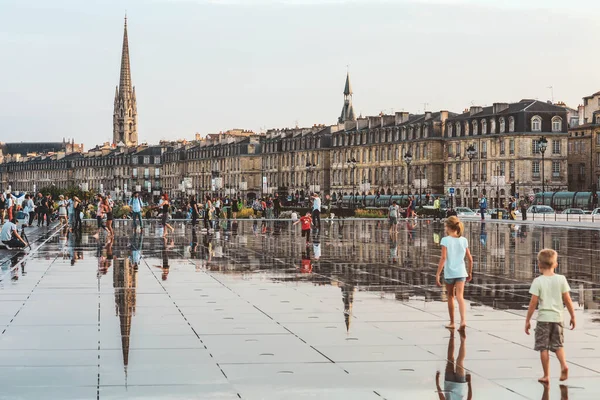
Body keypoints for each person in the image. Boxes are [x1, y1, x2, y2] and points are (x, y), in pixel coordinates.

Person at [525, 249, 576, 384]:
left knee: (543, 347)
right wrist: (572, 316)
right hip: (558, 318)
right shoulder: (561, 279)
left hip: (543, 319)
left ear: (539, 265)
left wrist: (528, 320)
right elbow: (568, 300)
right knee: (558, 345)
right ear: (556, 264)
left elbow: (533, 303)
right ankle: (564, 365)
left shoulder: (538, 281)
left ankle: (546, 375)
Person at [436, 216, 473, 331]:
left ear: (449, 227)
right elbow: (470, 259)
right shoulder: (464, 240)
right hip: (461, 272)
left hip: (449, 273)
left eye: (446, 226)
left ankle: (452, 322)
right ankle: (463, 321)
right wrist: (470, 272)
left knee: (450, 296)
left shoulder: (445, 240)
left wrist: (438, 274)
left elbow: (443, 258)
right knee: (460, 297)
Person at [436, 331, 472, 400]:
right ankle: (452, 334)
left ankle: (462, 341)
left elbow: (469, 398)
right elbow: (442, 397)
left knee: (460, 361)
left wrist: (469, 383)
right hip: (449, 384)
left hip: (460, 387)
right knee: (450, 359)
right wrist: (437, 382)